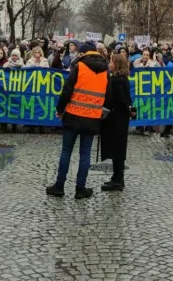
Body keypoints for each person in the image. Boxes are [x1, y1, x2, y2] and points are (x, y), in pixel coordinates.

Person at [47, 42, 109, 199]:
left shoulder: (79, 66)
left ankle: (59, 186)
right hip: (92, 117)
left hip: (73, 115)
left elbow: (67, 90)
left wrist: (60, 110)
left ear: (83, 53)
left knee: (66, 151)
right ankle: (80, 188)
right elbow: (107, 95)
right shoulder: (105, 70)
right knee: (85, 154)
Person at [100, 52, 133, 191]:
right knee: (117, 147)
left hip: (117, 119)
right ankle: (117, 177)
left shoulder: (117, 81)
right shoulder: (120, 78)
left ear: (117, 64)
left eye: (111, 62)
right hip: (119, 118)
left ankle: (118, 180)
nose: (109, 64)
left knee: (117, 148)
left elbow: (121, 100)